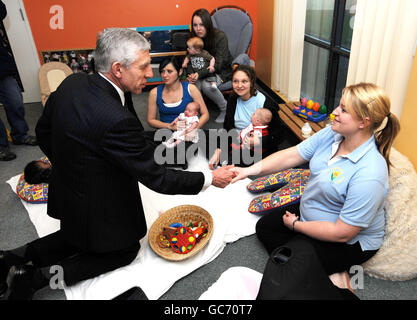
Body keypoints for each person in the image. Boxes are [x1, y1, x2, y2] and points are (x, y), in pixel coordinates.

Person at [0, 28, 235, 300]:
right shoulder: (114, 119)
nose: (151, 73)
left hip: (67, 190)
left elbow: (44, 131)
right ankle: (34, 278)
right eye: (144, 66)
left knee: (74, 237)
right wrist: (208, 178)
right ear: (118, 69)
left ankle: (10, 257)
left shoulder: (73, 82)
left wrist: (71, 164)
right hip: (97, 201)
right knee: (124, 251)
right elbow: (158, 177)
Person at [231, 82, 401, 276]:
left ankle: (336, 277)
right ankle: (313, 264)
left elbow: (342, 233)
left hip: (347, 240)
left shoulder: (371, 174)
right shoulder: (333, 133)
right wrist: (247, 171)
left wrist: (296, 225)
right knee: (265, 228)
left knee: (288, 269)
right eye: (339, 105)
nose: (335, 112)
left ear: (363, 122)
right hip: (316, 205)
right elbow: (292, 155)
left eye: (343, 110)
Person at [190, 8, 249, 123]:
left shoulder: (220, 37)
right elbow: (192, 59)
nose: (198, 29)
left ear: (208, 24)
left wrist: (199, 73)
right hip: (203, 71)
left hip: (223, 71)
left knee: (207, 86)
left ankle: (225, 108)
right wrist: (191, 74)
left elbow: (218, 64)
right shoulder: (194, 39)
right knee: (194, 85)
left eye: (201, 25)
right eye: (195, 25)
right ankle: (197, 112)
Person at [0, 0, 37, 161]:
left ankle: (20, 135)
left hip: (2, 68)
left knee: (15, 101)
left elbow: (1, 11)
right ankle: (1, 146)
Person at [147, 56, 209, 130]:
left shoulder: (191, 89)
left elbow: (205, 114)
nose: (165, 75)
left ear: (180, 72)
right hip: (166, 133)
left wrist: (192, 129)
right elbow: (151, 120)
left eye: (169, 71)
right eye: (162, 71)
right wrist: (170, 126)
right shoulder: (154, 93)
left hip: (189, 131)